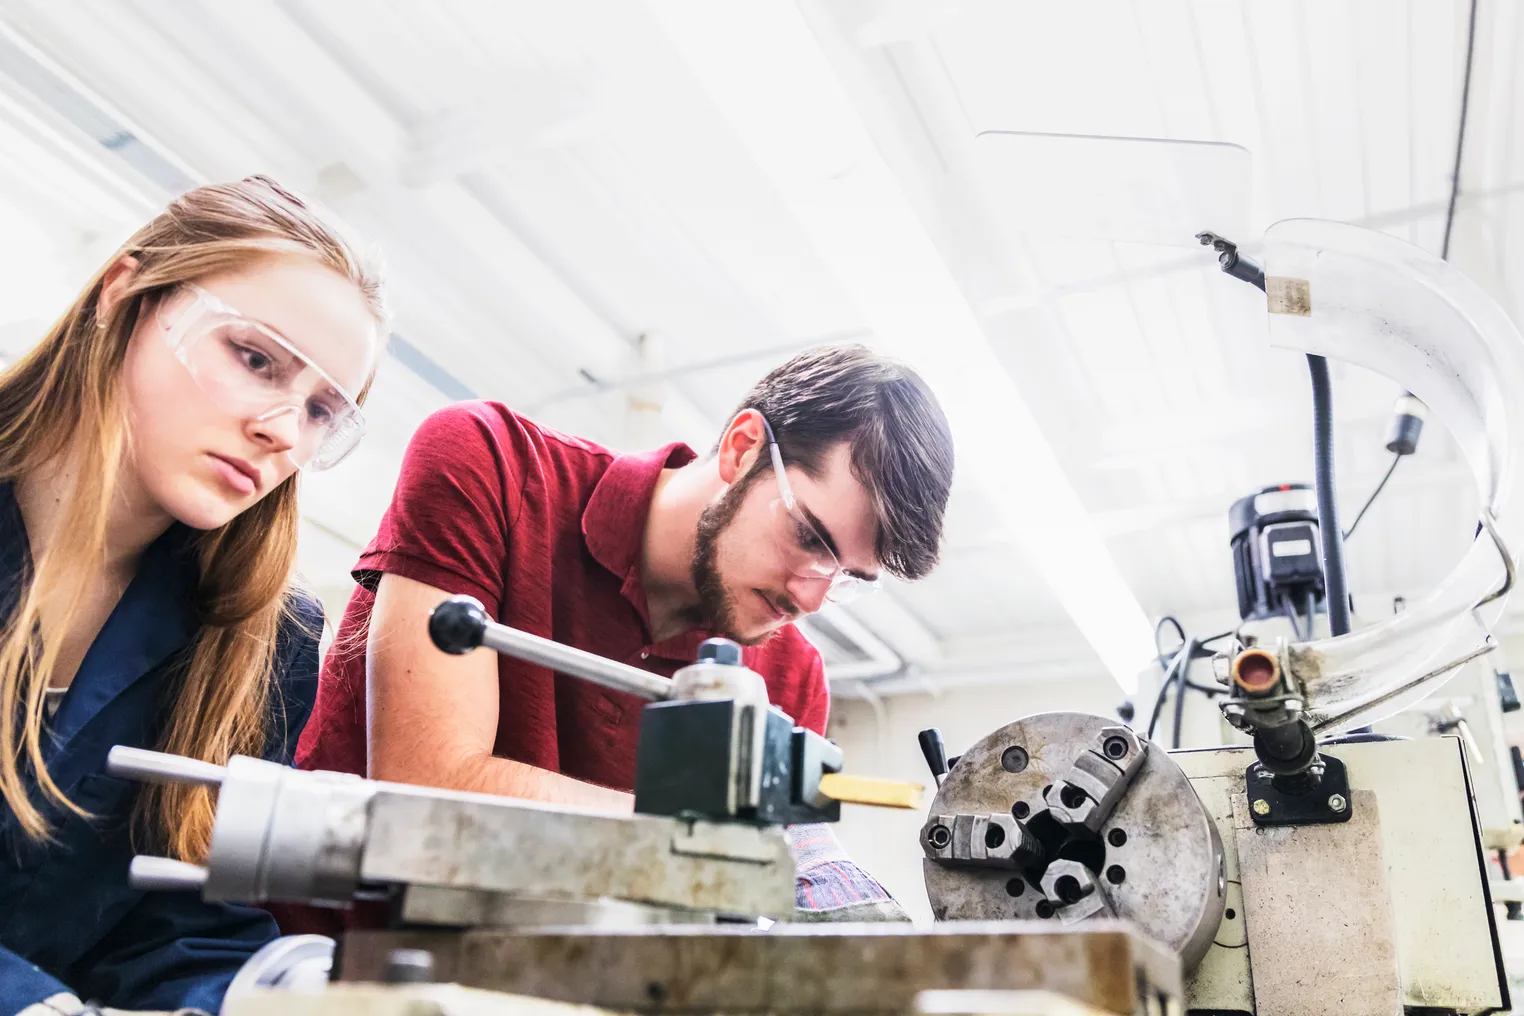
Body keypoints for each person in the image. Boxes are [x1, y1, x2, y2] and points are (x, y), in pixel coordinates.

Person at [296, 344, 954, 918]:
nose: (810, 599)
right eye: (809, 537)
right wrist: (723, 844)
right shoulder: (490, 465)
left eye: (847, 577)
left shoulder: (791, 677)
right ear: (742, 448)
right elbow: (425, 794)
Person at [0, 176, 387, 1014]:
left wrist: (273, 993)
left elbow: (173, 921)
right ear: (126, 294)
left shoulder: (266, 641)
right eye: (254, 359)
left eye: (324, 410)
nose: (283, 429)